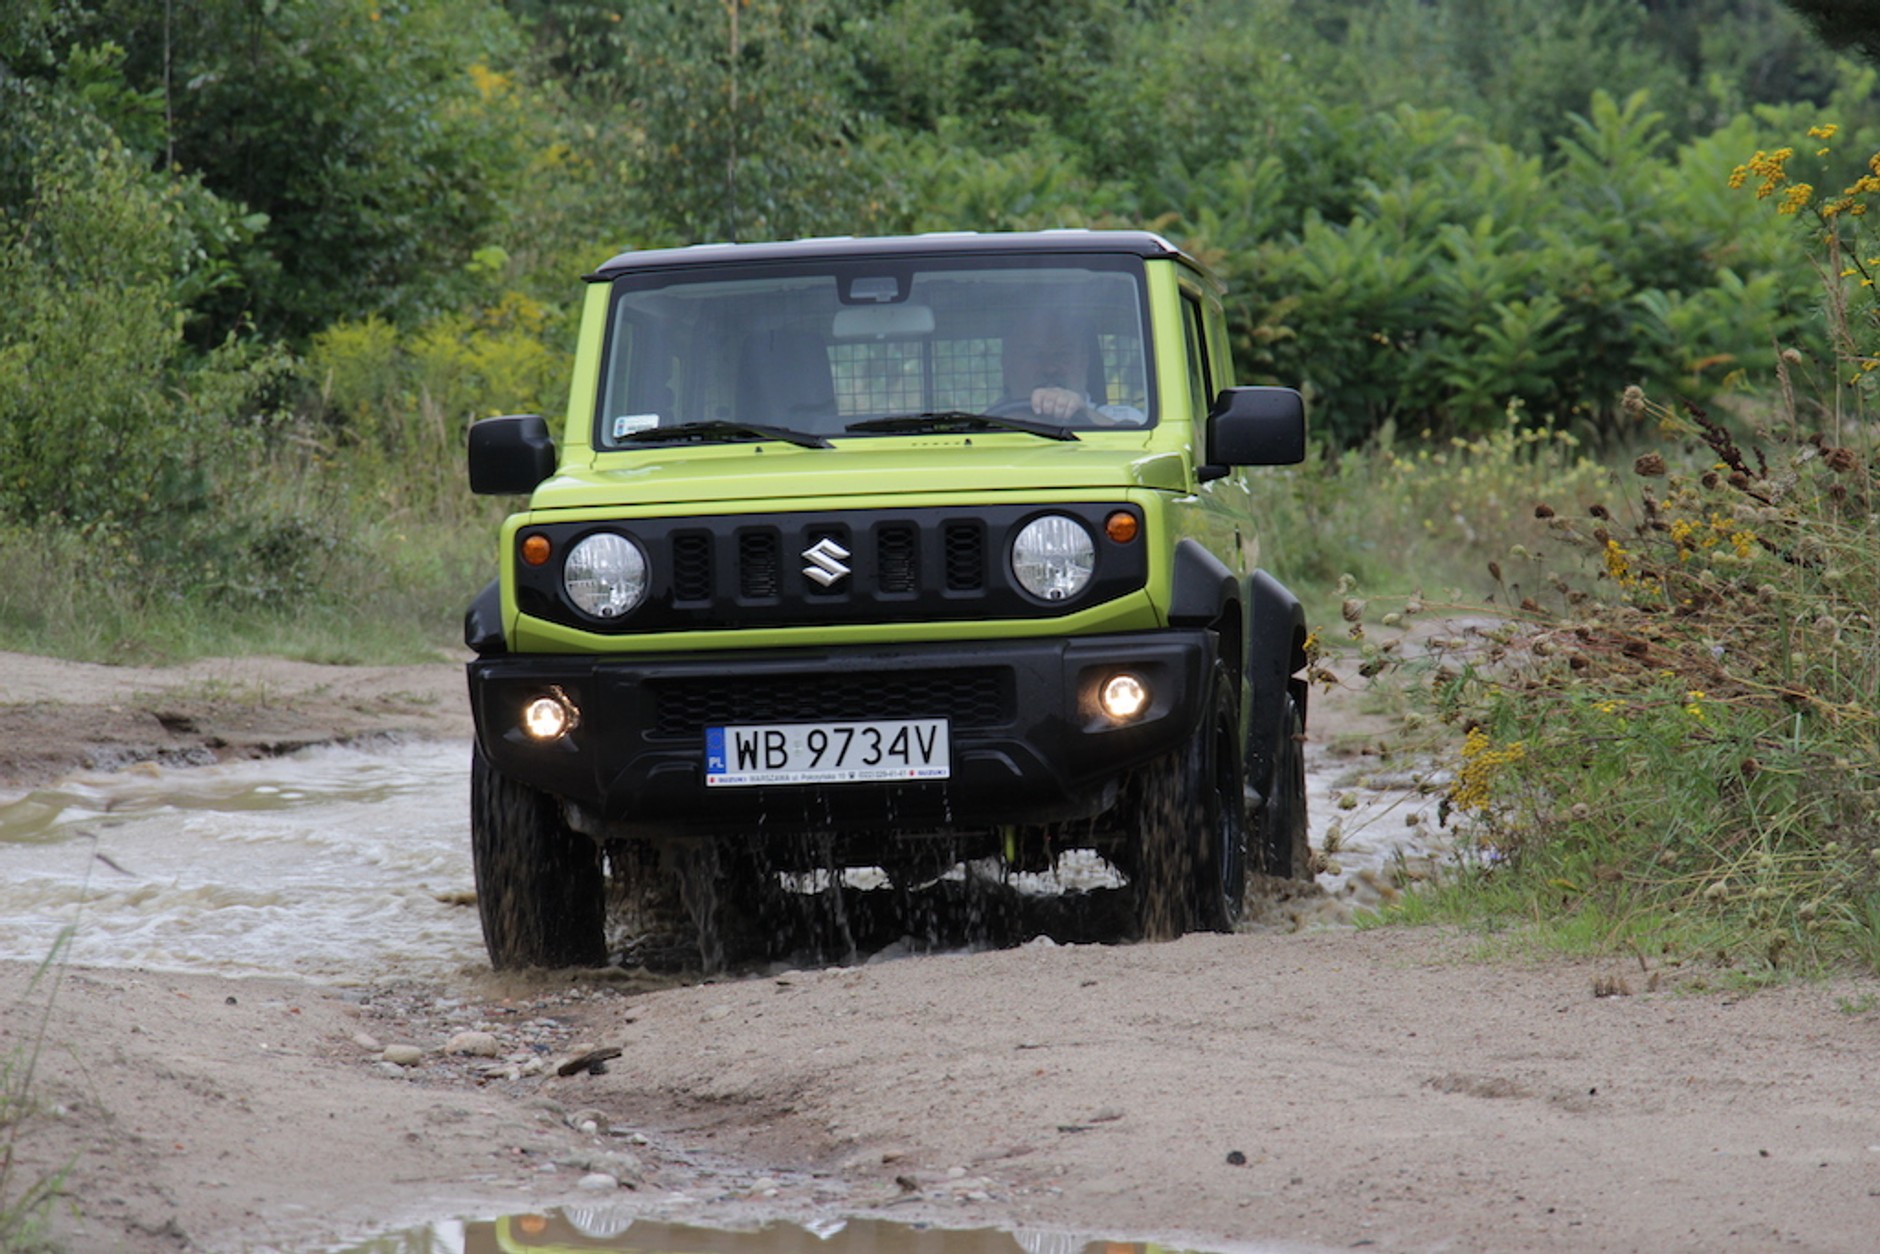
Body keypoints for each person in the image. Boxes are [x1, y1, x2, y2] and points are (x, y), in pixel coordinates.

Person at [999, 309, 1147, 427]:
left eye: (1062, 355)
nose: (1050, 368)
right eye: (1034, 355)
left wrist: (1084, 414)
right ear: (1007, 365)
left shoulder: (1126, 420)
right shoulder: (983, 426)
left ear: (1084, 362)